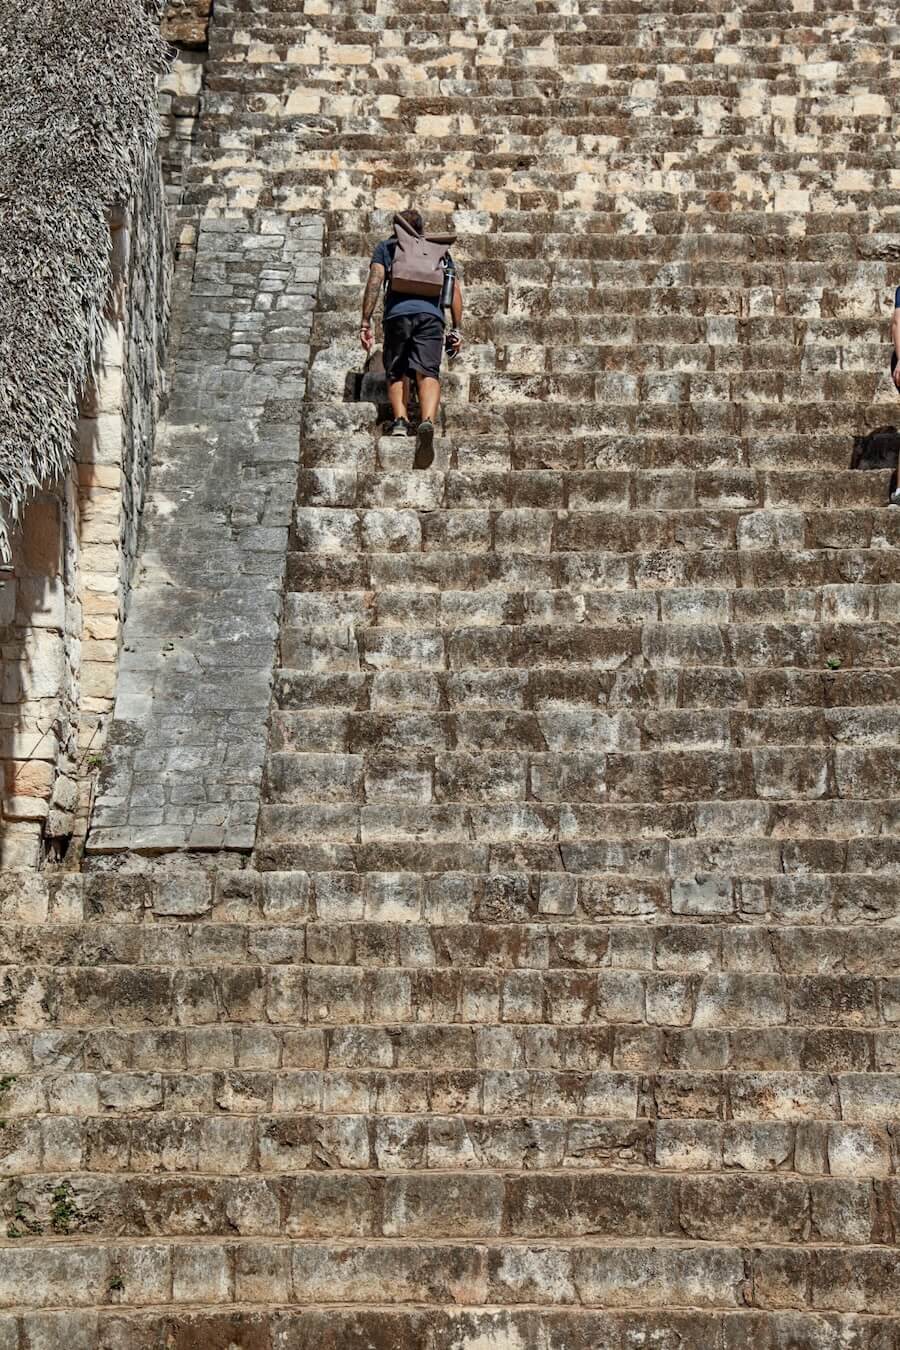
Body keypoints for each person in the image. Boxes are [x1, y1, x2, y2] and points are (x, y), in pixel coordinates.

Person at [360, 208, 463, 468]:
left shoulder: (387, 247)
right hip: (432, 317)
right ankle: (427, 419)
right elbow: (454, 290)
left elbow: (376, 279)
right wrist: (457, 328)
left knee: (397, 370)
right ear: (422, 228)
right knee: (428, 372)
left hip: (397, 316)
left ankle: (401, 421)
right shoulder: (438, 250)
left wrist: (365, 320)